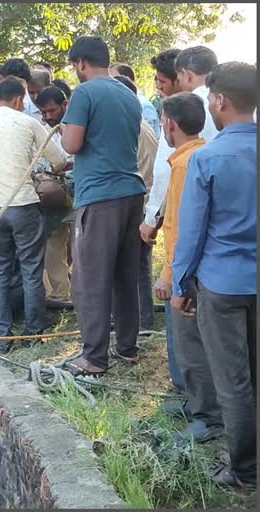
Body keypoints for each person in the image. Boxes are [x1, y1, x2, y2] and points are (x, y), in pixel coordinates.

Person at [171, 62, 257, 489]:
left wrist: (180, 283)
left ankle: (244, 470)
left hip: (221, 284)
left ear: (220, 100)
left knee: (233, 382)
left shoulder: (208, 158)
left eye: (210, 98)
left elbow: (192, 232)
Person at [59, 36, 146, 376]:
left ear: (81, 63)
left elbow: (72, 144)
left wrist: (66, 126)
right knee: (125, 275)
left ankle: (94, 357)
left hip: (100, 195)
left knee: (91, 277)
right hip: (132, 192)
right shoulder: (127, 92)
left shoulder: (83, 93)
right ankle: (127, 347)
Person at [0, 77, 67, 346]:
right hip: (22, 204)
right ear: (18, 100)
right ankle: (34, 331)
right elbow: (59, 160)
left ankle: (2, 334)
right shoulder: (28, 122)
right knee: (31, 268)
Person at [155, 92, 221, 445]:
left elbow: (180, 227)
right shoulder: (202, 153)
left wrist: (170, 277)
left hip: (186, 270)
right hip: (207, 267)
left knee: (190, 346)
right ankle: (197, 402)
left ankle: (206, 415)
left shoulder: (184, 164)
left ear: (170, 124)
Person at [138, 48, 185, 393]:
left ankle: (185, 388)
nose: (158, 88)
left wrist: (150, 219)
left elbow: (165, 176)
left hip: (180, 230)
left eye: (161, 81)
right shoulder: (220, 111)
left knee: (176, 297)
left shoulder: (178, 117)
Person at [114, 74, 159, 330]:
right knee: (139, 265)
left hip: (138, 203)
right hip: (145, 201)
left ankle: (140, 321)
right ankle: (142, 319)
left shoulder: (131, 128)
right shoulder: (143, 124)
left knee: (134, 266)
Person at [34, 85, 73, 302]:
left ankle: (82, 291)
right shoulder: (42, 131)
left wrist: (61, 166)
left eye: (52, 111)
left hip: (79, 192)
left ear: (64, 105)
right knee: (54, 241)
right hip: (52, 195)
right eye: (44, 112)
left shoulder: (76, 126)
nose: (48, 116)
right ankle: (59, 293)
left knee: (79, 244)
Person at [173, 46, 219, 142]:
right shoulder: (237, 102)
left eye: (179, 79)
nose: (179, 84)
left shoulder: (181, 107)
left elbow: (167, 155)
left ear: (188, 76)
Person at [110, 62, 161, 136]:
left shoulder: (143, 105)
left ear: (127, 79)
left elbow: (147, 139)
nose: (110, 83)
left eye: (114, 79)